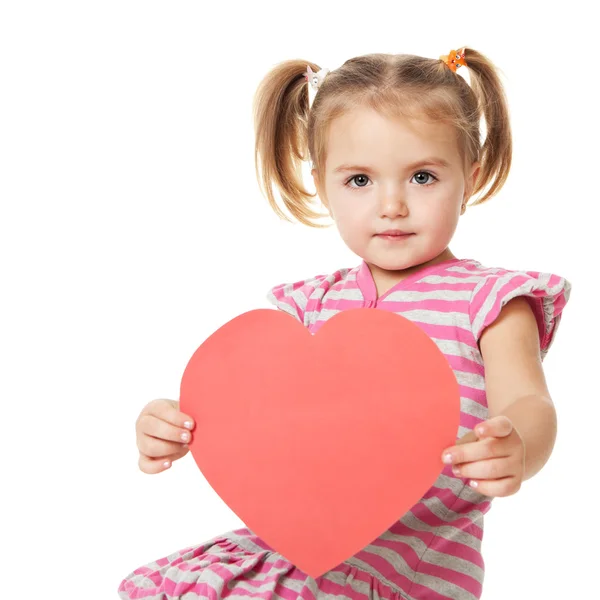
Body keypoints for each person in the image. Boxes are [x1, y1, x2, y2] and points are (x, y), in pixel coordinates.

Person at [118, 47, 572, 600]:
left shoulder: (490, 301)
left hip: (401, 574)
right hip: (290, 552)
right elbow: (250, 415)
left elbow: (529, 402)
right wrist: (175, 423)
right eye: (359, 180)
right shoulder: (307, 307)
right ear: (322, 183)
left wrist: (518, 444)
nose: (392, 205)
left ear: (470, 177)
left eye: (423, 176)